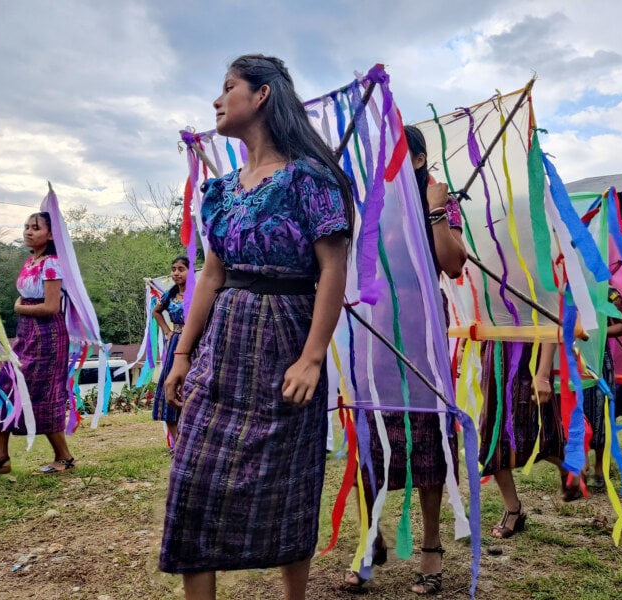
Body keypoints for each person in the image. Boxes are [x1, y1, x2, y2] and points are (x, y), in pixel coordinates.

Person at [158, 54, 353, 600]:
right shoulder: (221, 191)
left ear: (262, 95)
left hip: (286, 341)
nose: (218, 101)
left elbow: (333, 268)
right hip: (223, 346)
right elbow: (211, 275)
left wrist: (312, 357)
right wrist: (181, 354)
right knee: (192, 481)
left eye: (228, 88)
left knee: (287, 485)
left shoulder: (311, 178)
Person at [343, 124, 467, 595]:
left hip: (422, 337)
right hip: (373, 337)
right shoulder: (368, 209)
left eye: (394, 154)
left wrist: (436, 209)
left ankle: (431, 549)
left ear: (417, 160)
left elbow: (453, 264)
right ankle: (369, 539)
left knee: (429, 439)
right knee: (371, 442)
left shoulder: (436, 204)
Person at [0, 212, 75, 479]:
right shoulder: (31, 262)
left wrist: (19, 307)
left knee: (40, 392)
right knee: (5, 386)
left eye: (35, 228)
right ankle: (0, 457)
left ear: (51, 235)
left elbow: (52, 307)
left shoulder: (52, 263)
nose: (28, 231)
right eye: (26, 227)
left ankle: (64, 457)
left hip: (48, 338)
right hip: (27, 335)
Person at [479, 341, 575, 538]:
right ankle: (513, 509)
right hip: (495, 355)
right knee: (493, 435)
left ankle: (567, 465)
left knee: (536, 432)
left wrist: (542, 374)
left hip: (529, 358)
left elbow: (550, 318)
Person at [582, 287, 622, 490]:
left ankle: (601, 467)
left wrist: (596, 332)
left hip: (600, 359)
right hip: (570, 358)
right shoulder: (562, 285)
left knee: (601, 412)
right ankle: (580, 466)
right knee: (576, 411)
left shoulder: (608, 292)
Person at [151, 255, 189, 448]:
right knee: (170, 386)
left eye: (181, 269)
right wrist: (167, 331)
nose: (176, 273)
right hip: (175, 343)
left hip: (195, 345)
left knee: (190, 388)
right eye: (173, 269)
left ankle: (192, 442)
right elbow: (156, 312)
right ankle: (177, 446)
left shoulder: (199, 294)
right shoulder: (170, 295)